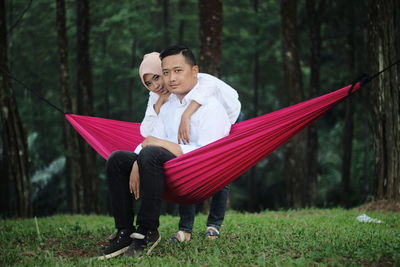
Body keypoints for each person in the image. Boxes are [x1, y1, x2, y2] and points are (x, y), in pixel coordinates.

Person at [99, 45, 232, 259]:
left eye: (178, 71)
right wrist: (136, 161)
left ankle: (147, 230)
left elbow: (210, 155)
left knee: (150, 153)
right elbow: (150, 140)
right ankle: (124, 230)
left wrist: (159, 147)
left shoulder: (211, 108)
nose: (170, 78)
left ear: (194, 71)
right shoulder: (168, 105)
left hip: (197, 173)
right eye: (166, 72)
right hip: (165, 170)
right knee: (118, 159)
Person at [138, 52, 241, 242]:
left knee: (221, 172)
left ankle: (214, 225)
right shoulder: (157, 96)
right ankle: (185, 229)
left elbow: (206, 94)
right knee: (184, 167)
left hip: (227, 118)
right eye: (149, 83)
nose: (157, 85)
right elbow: (146, 131)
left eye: (158, 77)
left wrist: (187, 113)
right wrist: (157, 107)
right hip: (192, 131)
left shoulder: (201, 80)